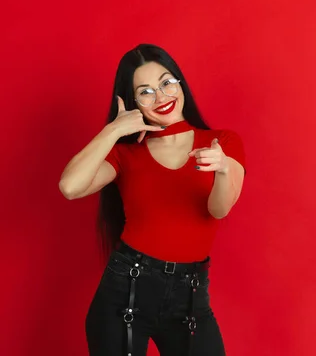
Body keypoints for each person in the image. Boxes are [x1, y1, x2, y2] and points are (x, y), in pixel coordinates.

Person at [59, 44, 246, 356]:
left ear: (180, 83)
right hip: (125, 294)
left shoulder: (221, 143)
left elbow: (218, 208)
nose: (161, 97)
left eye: (166, 82)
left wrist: (223, 167)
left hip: (191, 299)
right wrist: (114, 130)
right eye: (145, 91)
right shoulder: (125, 154)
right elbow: (70, 187)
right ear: (133, 102)